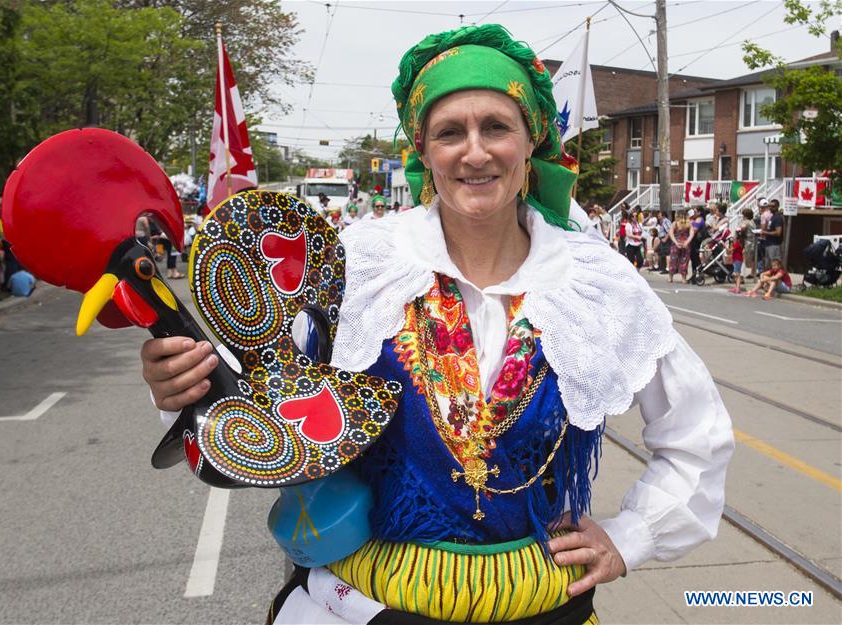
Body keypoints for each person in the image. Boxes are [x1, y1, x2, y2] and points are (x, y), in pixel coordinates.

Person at [139, 25, 732, 624]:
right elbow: (263, 386)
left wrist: (630, 537)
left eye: (497, 127)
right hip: (366, 606)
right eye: (450, 133)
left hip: (540, 604)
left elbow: (696, 436)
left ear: (532, 141)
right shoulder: (360, 265)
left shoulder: (595, 282)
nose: (475, 152)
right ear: (422, 150)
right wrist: (186, 386)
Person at [668, 210, 692, 284]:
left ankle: (670, 277)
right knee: (684, 261)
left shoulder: (675, 224)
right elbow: (691, 234)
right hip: (685, 244)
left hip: (676, 244)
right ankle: (683, 278)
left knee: (673, 261)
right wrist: (687, 242)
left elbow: (671, 234)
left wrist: (676, 242)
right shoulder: (689, 224)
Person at [739, 207, 757, 279]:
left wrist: (740, 233)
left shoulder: (746, 221)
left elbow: (743, 227)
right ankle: (753, 273)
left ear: (745, 215)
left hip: (748, 242)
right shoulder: (752, 222)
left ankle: (742, 275)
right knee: (752, 259)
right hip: (753, 241)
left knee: (744, 258)